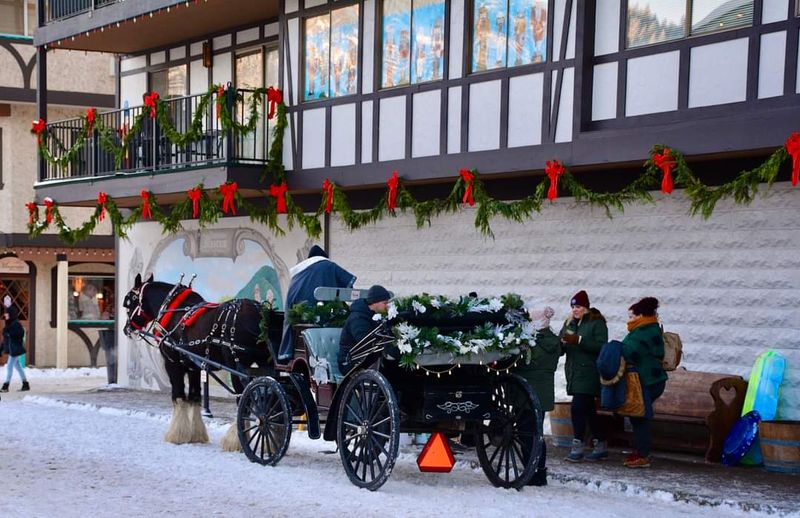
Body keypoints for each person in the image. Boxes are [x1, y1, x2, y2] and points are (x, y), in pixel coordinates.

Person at [278, 245, 356, 362]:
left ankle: (287, 354)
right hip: (322, 320)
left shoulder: (298, 273)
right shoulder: (328, 266)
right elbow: (349, 289)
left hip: (298, 321)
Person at [559, 290, 608, 462]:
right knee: (588, 411)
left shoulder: (596, 323)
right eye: (573, 306)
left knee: (577, 408)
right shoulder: (569, 322)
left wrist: (579, 341)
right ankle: (600, 443)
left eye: (578, 306)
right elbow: (561, 345)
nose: (575, 310)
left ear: (586, 307)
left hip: (589, 372)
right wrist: (560, 344)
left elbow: (602, 347)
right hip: (573, 372)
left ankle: (577, 445)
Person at [514, 306, 560, 486]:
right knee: (536, 434)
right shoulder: (553, 342)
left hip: (527, 395)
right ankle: (537, 471)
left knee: (528, 434)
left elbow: (526, 364)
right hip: (542, 394)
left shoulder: (534, 344)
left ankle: (532, 472)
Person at [621, 297, 667, 468]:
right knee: (638, 416)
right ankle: (641, 451)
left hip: (647, 380)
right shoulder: (650, 328)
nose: (629, 320)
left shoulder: (643, 332)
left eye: (632, 317)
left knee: (639, 416)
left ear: (641, 316)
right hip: (652, 379)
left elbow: (629, 351)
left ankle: (643, 455)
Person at [338, 285, 391, 375]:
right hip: (351, 362)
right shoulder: (358, 318)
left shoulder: (374, 314)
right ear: (375, 302)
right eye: (385, 303)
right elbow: (364, 341)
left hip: (368, 358)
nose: (387, 306)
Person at [1, 307, 29, 392]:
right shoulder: (9, 324)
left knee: (9, 366)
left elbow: (20, 333)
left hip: (15, 349)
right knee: (18, 367)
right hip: (12, 349)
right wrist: (1, 348)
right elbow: (6, 340)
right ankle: (25, 384)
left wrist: (10, 334)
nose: (5, 315)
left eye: (7, 313)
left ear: (11, 314)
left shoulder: (16, 324)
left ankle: (5, 386)